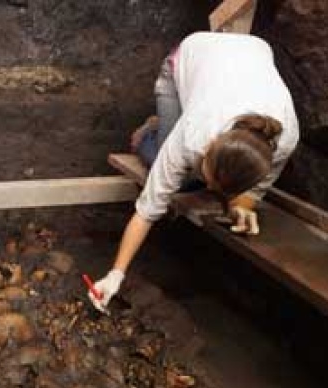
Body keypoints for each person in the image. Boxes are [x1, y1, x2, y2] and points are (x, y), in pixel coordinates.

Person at [90, 32, 300, 312]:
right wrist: (116, 274)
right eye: (210, 179)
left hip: (251, 53)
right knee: (177, 178)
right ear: (210, 145)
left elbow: (253, 191)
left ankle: (169, 136)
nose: (211, 190)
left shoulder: (283, 140)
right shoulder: (193, 136)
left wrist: (244, 205)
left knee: (190, 182)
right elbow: (147, 211)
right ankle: (149, 134)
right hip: (188, 58)